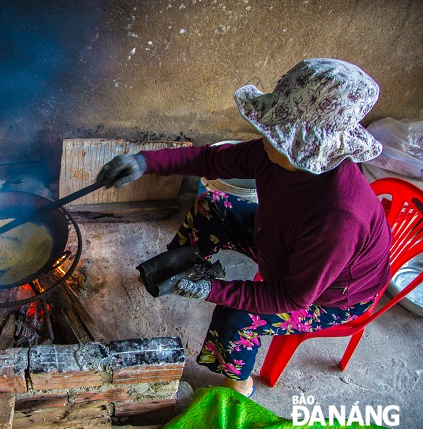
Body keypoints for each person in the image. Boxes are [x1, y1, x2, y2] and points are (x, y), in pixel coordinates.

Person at [96, 58, 391, 397]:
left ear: (310, 150)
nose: (264, 135)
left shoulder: (339, 218)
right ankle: (179, 271)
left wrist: (212, 291)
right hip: (278, 238)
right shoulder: (273, 154)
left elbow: (291, 296)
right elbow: (210, 159)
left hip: (330, 295)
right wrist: (144, 162)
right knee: (212, 206)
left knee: (237, 314)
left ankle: (240, 385)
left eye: (277, 134)